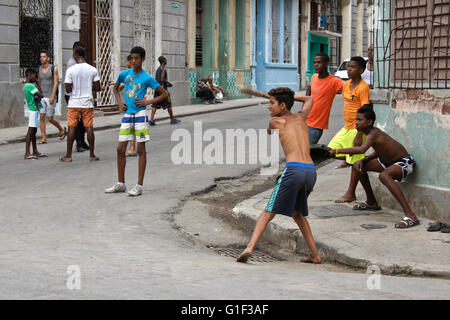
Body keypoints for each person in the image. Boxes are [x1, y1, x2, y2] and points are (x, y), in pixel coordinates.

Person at [237, 88, 321, 264]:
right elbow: (309, 99)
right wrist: (291, 98)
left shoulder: (276, 122)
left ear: (282, 106)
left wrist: (287, 99)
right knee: (298, 214)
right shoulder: (301, 117)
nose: (269, 106)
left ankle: (249, 247)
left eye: (272, 103)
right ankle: (315, 255)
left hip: (294, 170)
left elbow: (269, 130)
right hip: (310, 171)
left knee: (268, 212)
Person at [328, 106, 420, 229]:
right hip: (386, 162)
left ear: (370, 122)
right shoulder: (367, 133)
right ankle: (371, 202)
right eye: (356, 119)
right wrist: (364, 159)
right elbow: (379, 151)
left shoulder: (374, 133)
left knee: (384, 176)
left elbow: (361, 149)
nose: (356, 122)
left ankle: (411, 215)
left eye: (360, 120)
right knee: (357, 165)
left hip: (404, 162)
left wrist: (336, 151)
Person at [105, 46, 168, 197]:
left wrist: (148, 102)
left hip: (140, 114)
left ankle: (139, 185)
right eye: (132, 58)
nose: (133, 61)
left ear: (142, 59)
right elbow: (115, 89)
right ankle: (121, 183)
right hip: (127, 114)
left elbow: (164, 94)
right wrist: (119, 102)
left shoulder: (147, 77)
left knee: (141, 150)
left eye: (136, 58)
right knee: (120, 149)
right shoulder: (124, 74)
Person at [328, 56, 371, 203]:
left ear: (361, 70)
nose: (349, 70)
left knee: (355, 163)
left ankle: (350, 193)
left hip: (356, 129)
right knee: (329, 151)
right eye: (348, 67)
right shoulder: (346, 85)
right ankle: (355, 160)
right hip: (346, 127)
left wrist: (359, 133)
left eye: (352, 67)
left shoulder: (363, 87)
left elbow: (365, 110)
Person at [60, 47, 102, 162]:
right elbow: (98, 88)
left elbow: (68, 89)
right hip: (87, 102)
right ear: (84, 56)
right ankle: (92, 155)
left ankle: (68, 155)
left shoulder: (71, 70)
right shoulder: (92, 69)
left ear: (75, 55)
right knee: (89, 127)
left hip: (74, 102)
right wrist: (88, 86)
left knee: (72, 127)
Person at [305, 52, 344, 145]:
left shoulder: (334, 81)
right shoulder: (314, 77)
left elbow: (351, 88)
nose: (316, 65)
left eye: (319, 62)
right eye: (315, 62)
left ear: (326, 64)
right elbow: (309, 91)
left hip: (316, 126)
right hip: (304, 122)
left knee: (306, 154)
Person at [37, 49, 66, 144]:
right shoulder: (39, 69)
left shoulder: (54, 68)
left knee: (50, 118)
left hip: (50, 96)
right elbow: (39, 82)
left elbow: (56, 83)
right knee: (41, 117)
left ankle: (61, 129)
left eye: (44, 56)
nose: (42, 58)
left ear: (48, 58)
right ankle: (44, 138)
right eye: (41, 56)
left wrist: (53, 96)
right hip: (42, 97)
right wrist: (38, 94)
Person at [66, 41, 89, 153]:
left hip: (82, 96)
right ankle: (79, 143)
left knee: (83, 123)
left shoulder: (83, 64)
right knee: (76, 123)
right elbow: (69, 85)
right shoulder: (72, 63)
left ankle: (83, 141)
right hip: (73, 97)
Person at [148, 56, 181, 126]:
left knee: (155, 105)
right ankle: (172, 119)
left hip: (157, 89)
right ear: (163, 60)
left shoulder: (157, 70)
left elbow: (158, 80)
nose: (166, 60)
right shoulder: (163, 69)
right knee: (169, 105)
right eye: (165, 59)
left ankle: (151, 119)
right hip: (163, 91)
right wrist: (169, 83)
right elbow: (162, 79)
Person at [24, 69, 47, 159]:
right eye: (35, 76)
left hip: (35, 109)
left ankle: (35, 151)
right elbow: (41, 94)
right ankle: (27, 152)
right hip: (33, 110)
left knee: (34, 131)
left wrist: (37, 84)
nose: (36, 78)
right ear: (30, 75)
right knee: (30, 131)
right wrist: (38, 84)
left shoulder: (30, 85)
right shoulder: (30, 86)